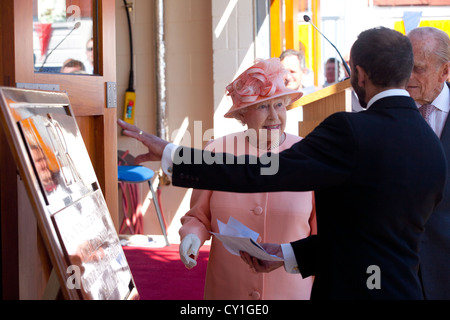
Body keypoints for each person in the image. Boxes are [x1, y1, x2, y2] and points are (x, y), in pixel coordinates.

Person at [117, 27, 447, 299]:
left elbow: (264, 172)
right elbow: (367, 238)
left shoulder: (349, 131)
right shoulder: (432, 145)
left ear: (359, 74)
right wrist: (287, 255)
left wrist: (173, 154)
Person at [178, 58, 317, 300]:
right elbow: (198, 217)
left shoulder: (310, 155)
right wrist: (192, 236)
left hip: (291, 292)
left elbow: (321, 235)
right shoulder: (215, 152)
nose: (274, 116)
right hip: (229, 289)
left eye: (279, 105)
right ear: (243, 114)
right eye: (263, 107)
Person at [406, 26, 450, 300]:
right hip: (396, 279)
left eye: (418, 68)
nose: (408, 77)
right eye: (404, 66)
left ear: (445, 71)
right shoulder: (384, 117)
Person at [280, 50, 317, 135]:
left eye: (292, 72)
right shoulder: (271, 101)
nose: (288, 77)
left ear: (303, 72)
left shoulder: (314, 98)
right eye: (284, 72)